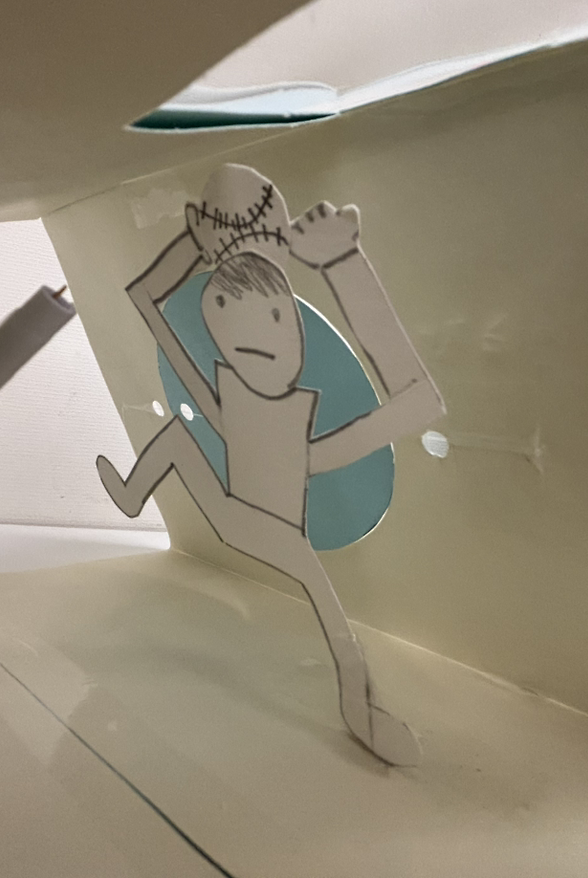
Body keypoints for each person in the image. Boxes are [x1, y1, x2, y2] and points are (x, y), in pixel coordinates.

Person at [97, 164, 443, 765]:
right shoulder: (223, 404)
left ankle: (360, 709)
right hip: (236, 517)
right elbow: (143, 300)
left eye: (277, 316)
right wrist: (198, 243)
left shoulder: (287, 438)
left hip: (276, 539)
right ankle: (132, 496)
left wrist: (345, 265)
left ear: (298, 332)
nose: (253, 333)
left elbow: (421, 404)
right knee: (179, 437)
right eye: (226, 306)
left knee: (339, 630)